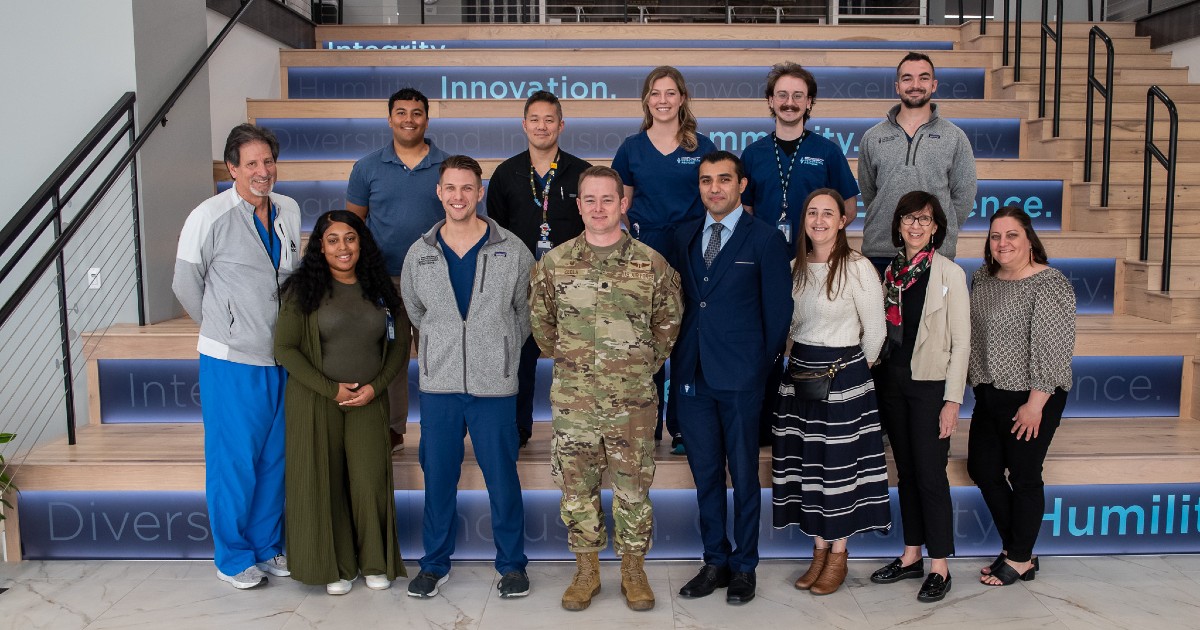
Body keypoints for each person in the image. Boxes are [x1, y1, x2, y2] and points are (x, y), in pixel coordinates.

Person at [530, 166, 682, 612]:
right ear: (578, 206)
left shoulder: (651, 263)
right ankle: (587, 569)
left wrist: (636, 367)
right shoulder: (554, 264)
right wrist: (580, 365)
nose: (599, 209)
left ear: (623, 203)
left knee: (634, 487)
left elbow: (667, 324)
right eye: (590, 200)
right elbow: (542, 327)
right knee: (577, 488)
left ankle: (634, 569)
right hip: (574, 402)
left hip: (632, 403)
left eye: (607, 200)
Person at [398, 155, 534, 600]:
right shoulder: (420, 254)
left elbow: (525, 312)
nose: (458, 197)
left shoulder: (511, 249)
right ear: (439, 193)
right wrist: (443, 346)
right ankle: (434, 564)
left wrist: (498, 349)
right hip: (439, 386)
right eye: (450, 189)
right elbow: (416, 312)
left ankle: (512, 565)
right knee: (437, 477)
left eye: (467, 189)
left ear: (480, 192)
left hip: (493, 385)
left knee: (502, 478)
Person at [172, 124, 300, 589]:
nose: (262, 171)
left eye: (268, 162)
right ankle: (232, 555)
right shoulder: (208, 215)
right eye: (251, 164)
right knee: (234, 462)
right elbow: (186, 285)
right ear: (232, 168)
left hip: (280, 359)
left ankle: (267, 547)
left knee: (273, 461)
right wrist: (224, 327)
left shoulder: (288, 209)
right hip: (230, 361)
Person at [671, 151, 793, 605]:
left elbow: (779, 314)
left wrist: (757, 371)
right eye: (706, 181)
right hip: (692, 376)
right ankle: (714, 561)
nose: (714, 188)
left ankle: (744, 566)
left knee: (743, 476)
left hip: (742, 379)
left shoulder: (764, 239)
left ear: (741, 185)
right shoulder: (684, 235)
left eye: (724, 180)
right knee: (705, 477)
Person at [274, 211, 406, 595]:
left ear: (361, 242)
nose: (343, 247)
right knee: (324, 482)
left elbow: (398, 345)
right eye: (332, 239)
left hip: (369, 400)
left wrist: (375, 387)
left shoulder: (380, 288)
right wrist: (330, 389)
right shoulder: (303, 291)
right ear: (319, 246)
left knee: (369, 482)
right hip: (317, 402)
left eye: (350, 238)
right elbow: (284, 348)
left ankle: (375, 563)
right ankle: (336, 567)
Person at [772, 188, 889, 596]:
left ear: (843, 221)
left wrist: (848, 375)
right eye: (812, 213)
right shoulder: (794, 267)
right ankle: (818, 551)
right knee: (810, 470)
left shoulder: (858, 268)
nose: (819, 220)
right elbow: (787, 329)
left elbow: (875, 334)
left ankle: (838, 553)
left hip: (843, 381)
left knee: (839, 472)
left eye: (828, 214)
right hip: (800, 378)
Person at [741, 61, 861, 446]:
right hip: (768, 261)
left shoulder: (826, 150)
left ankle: (807, 417)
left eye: (798, 96)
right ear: (770, 102)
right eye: (782, 95)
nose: (789, 102)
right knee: (769, 338)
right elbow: (745, 210)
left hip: (816, 263)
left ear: (809, 103)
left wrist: (823, 237)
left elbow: (850, 208)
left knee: (809, 335)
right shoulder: (754, 152)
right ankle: (766, 423)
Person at [868, 191, 970, 603]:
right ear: (897, 225)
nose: (915, 226)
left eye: (924, 220)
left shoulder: (949, 273)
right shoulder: (887, 273)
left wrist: (952, 401)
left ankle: (940, 566)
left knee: (931, 476)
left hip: (930, 389)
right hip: (892, 385)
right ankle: (911, 556)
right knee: (906, 474)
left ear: (936, 229)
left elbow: (962, 343)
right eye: (909, 218)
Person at [967, 206, 1075, 587]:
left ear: (1029, 240)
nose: (1002, 243)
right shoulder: (983, 277)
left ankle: (1018, 557)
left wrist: (1035, 404)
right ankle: (1019, 550)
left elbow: (1053, 349)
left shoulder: (1049, 283)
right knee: (982, 469)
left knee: (1025, 475)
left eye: (1012, 235)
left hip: (1033, 397)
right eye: (996, 236)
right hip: (990, 392)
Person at [612, 65, 716, 453]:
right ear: (646, 100)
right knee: (645, 337)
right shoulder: (631, 147)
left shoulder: (700, 146)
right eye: (656, 93)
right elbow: (622, 202)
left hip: (691, 246)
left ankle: (683, 427)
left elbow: (714, 196)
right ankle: (648, 423)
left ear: (682, 98)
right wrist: (640, 233)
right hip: (646, 247)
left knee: (688, 336)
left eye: (670, 93)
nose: (663, 100)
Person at [486, 90, 591, 448]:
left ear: (561, 125)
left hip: (573, 285)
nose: (542, 126)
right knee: (519, 360)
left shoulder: (582, 173)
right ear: (523, 125)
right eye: (535, 119)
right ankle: (518, 428)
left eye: (549, 119)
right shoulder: (505, 174)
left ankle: (579, 429)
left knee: (576, 360)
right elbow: (494, 236)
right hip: (520, 285)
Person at [347, 87, 448, 454]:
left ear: (426, 118)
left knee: (438, 357)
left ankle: (439, 428)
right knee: (391, 357)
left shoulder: (446, 166)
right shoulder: (367, 167)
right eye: (402, 112)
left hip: (436, 280)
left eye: (417, 112)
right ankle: (392, 430)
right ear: (390, 119)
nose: (409, 119)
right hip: (384, 280)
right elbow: (352, 227)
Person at [858, 52, 977, 275]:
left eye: (923, 78)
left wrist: (938, 228)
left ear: (933, 85)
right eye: (907, 78)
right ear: (897, 86)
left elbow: (964, 195)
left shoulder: (954, 137)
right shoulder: (872, 137)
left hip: (935, 252)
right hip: (880, 252)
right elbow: (869, 193)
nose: (915, 85)